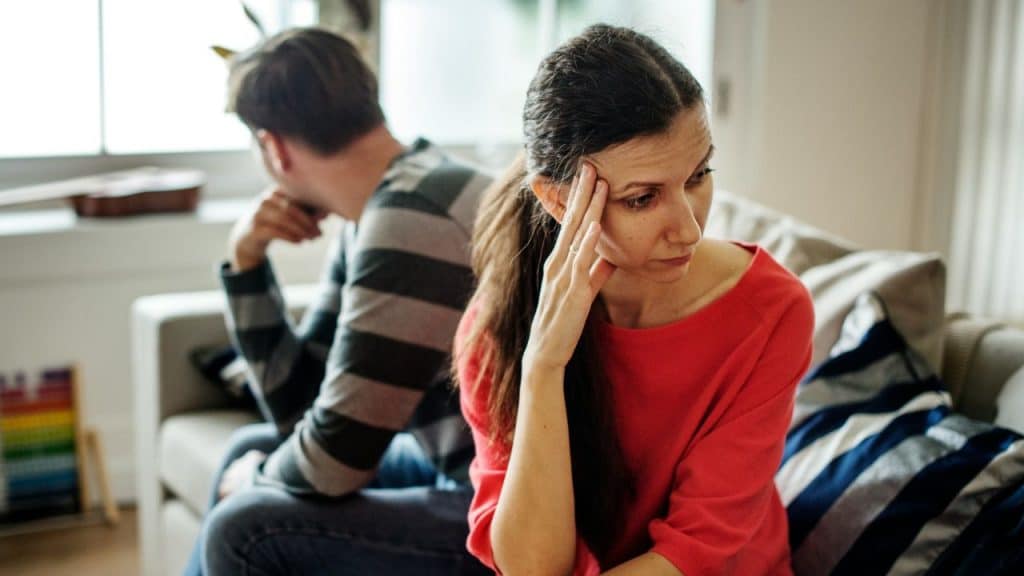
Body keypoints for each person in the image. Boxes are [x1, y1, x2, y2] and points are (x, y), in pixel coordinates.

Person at [455, 24, 814, 576]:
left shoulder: (771, 311)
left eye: (699, 176)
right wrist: (543, 367)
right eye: (643, 198)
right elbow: (530, 567)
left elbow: (696, 552)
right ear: (557, 200)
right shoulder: (497, 326)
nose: (690, 229)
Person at [185, 27, 492, 575]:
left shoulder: (410, 220)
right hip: (468, 474)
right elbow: (302, 409)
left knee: (245, 527)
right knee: (246, 448)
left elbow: (335, 464)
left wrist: (253, 482)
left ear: (273, 147)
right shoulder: (401, 193)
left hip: (514, 512)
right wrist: (246, 262)